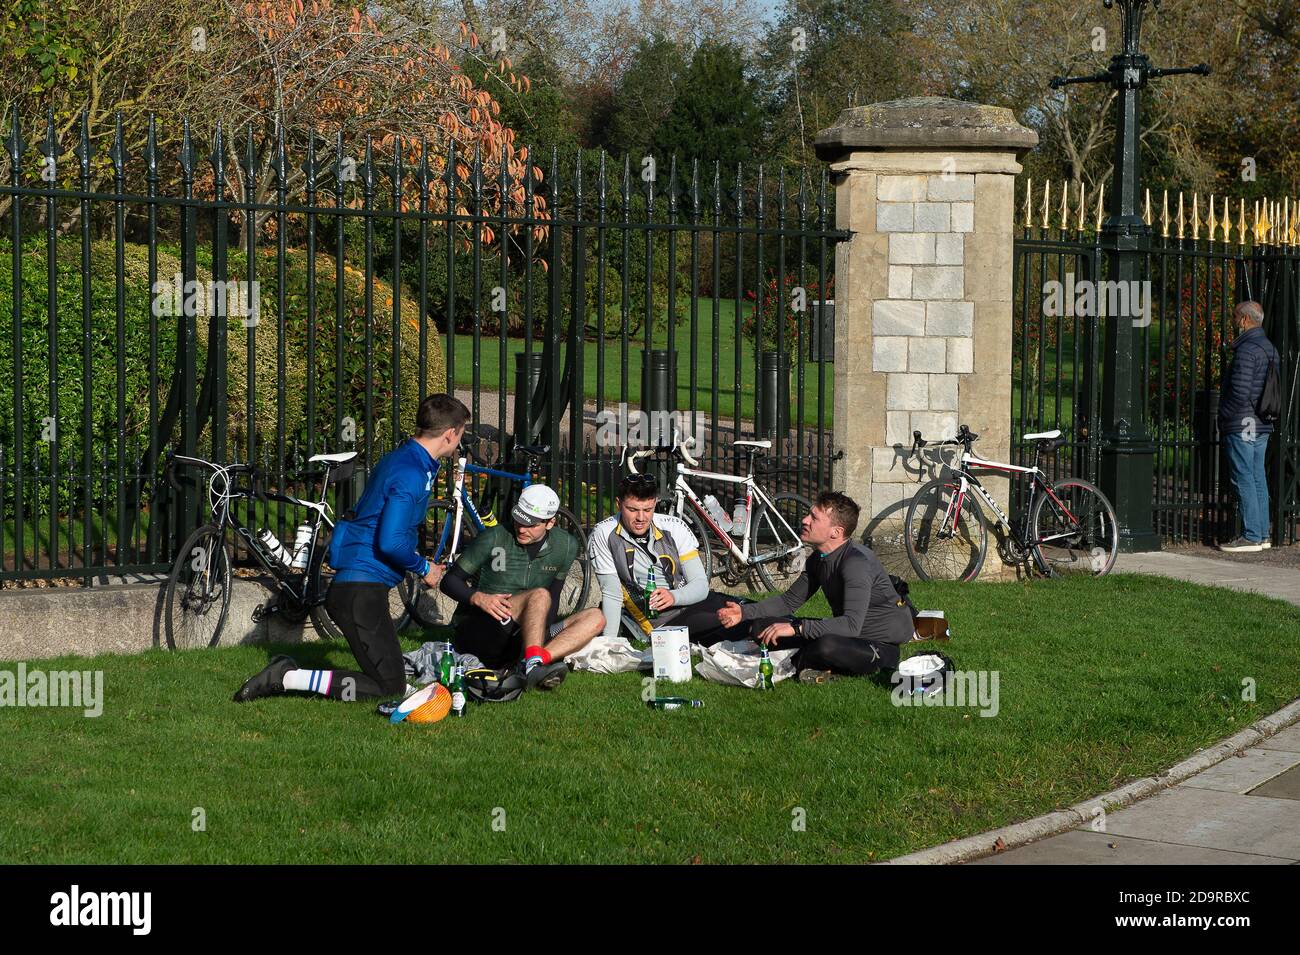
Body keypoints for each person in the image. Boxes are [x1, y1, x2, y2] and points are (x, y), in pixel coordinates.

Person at [232, 394, 470, 703]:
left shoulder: (408, 459)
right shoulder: (411, 472)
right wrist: (425, 567)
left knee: (393, 678)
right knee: (387, 688)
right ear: (450, 433)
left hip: (362, 588)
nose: (460, 442)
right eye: (461, 434)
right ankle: (287, 676)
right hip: (359, 591)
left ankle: (293, 674)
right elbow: (391, 541)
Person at [717, 491, 914, 683]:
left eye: (814, 518)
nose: (805, 520)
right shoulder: (819, 558)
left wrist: (796, 628)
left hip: (879, 645)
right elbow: (789, 601)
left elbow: (851, 625)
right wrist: (744, 612)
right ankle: (806, 663)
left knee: (825, 647)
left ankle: (804, 664)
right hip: (847, 633)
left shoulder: (855, 563)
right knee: (761, 627)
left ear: (836, 532)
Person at [440, 483, 604, 690]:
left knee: (596, 617)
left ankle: (533, 661)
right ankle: (533, 665)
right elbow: (449, 581)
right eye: (518, 520)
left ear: (550, 523)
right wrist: (479, 598)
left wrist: (540, 634)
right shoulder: (495, 536)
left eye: (531, 524)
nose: (521, 528)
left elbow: (554, 600)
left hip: (526, 635)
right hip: (484, 628)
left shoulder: (567, 545)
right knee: (540, 596)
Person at [588, 472, 746, 647]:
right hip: (666, 621)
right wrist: (609, 646)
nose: (641, 518)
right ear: (619, 504)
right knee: (740, 625)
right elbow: (611, 593)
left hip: (695, 600)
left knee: (752, 612)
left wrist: (673, 596)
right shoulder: (603, 533)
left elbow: (701, 585)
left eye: (647, 510)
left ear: (655, 503)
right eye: (632, 510)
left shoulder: (673, 526)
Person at [1218, 300, 1280, 553]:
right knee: (1256, 477)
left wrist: (1224, 415)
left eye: (1235, 317)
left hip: (1243, 421)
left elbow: (1240, 391)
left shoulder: (1246, 350)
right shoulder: (1268, 348)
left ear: (1245, 320)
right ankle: (1262, 533)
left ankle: (1252, 535)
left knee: (1243, 476)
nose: (1233, 322)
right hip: (1262, 422)